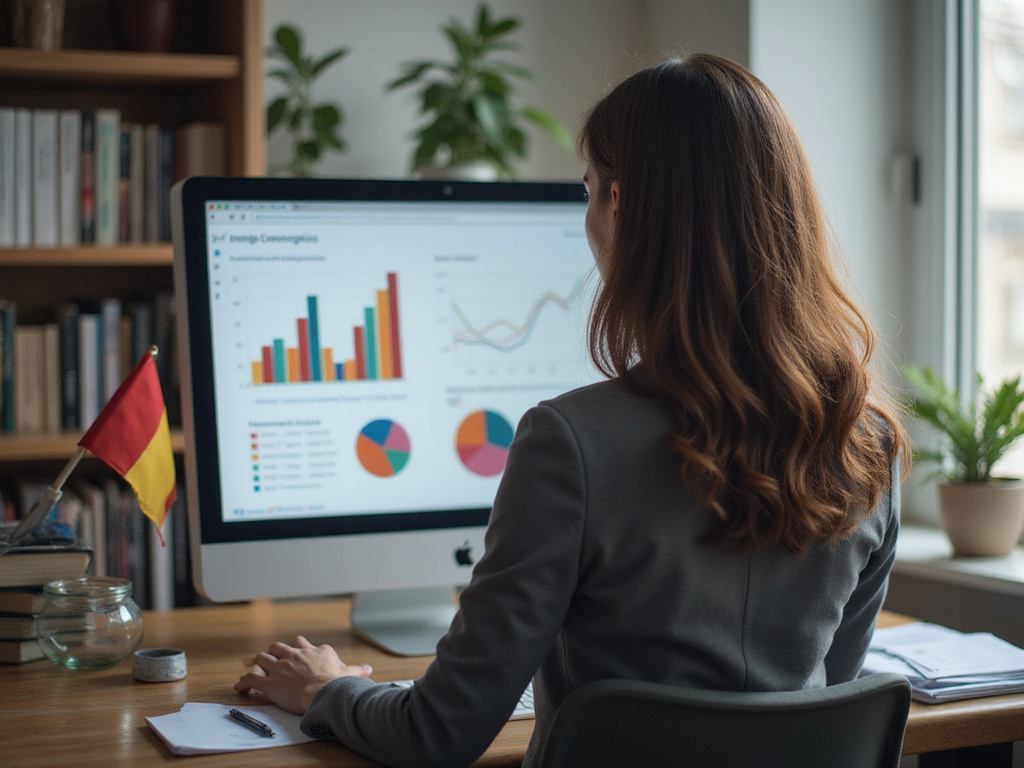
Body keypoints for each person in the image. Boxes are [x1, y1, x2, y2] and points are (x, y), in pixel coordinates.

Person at [234, 53, 908, 768]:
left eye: (588, 192)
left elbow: (438, 734)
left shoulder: (571, 445)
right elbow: (823, 700)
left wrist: (327, 690)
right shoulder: (869, 445)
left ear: (619, 206)